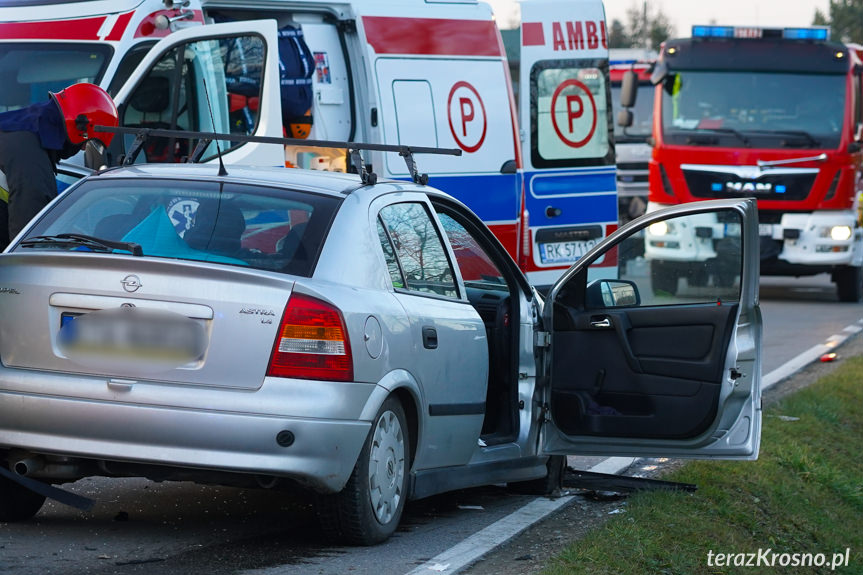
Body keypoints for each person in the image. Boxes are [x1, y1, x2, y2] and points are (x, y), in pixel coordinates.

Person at [0, 83, 118, 250]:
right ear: (78, 128)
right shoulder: (30, 157)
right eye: (86, 142)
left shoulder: (16, 131)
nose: (83, 148)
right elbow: (29, 241)